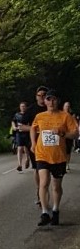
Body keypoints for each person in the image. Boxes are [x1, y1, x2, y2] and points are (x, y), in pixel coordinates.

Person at [31, 91, 78, 226]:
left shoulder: (65, 116)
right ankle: (45, 213)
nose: (51, 102)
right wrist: (33, 143)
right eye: (48, 99)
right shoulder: (40, 116)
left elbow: (75, 134)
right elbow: (33, 128)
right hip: (42, 154)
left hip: (58, 156)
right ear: (45, 101)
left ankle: (56, 210)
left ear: (58, 101)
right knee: (43, 183)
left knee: (56, 186)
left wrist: (62, 133)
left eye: (54, 99)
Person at [18, 86, 48, 205]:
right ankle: (40, 191)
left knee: (48, 170)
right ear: (36, 97)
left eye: (44, 95)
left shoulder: (51, 107)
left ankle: (45, 190)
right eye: (39, 95)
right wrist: (36, 129)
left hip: (50, 145)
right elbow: (21, 126)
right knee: (37, 168)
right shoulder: (31, 110)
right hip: (35, 143)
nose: (42, 97)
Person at [11, 101, 31, 171]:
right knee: (19, 148)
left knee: (26, 148)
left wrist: (27, 127)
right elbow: (13, 121)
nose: (23, 107)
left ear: (26, 107)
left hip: (27, 133)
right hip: (19, 133)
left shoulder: (29, 115)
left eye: (24, 106)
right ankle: (19, 164)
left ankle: (27, 159)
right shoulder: (17, 115)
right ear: (19, 107)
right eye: (21, 106)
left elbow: (32, 123)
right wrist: (14, 127)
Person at [62, 101, 77, 170]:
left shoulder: (72, 115)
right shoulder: (60, 114)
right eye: (66, 106)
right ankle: (62, 163)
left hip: (69, 134)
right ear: (63, 107)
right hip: (62, 134)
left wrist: (75, 131)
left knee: (68, 150)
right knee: (62, 149)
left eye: (68, 106)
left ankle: (67, 164)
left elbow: (75, 124)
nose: (67, 107)